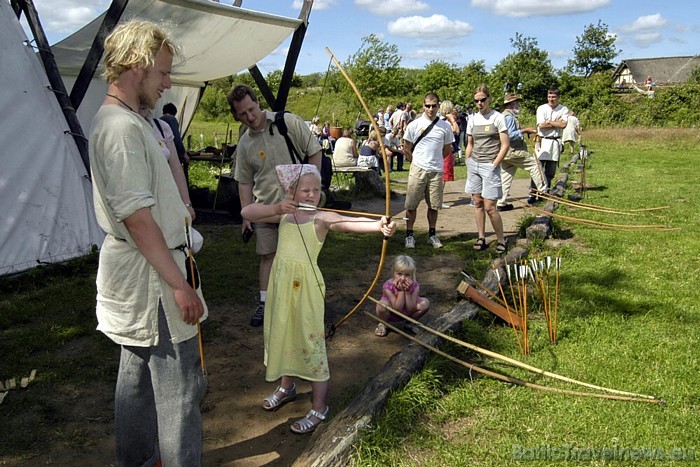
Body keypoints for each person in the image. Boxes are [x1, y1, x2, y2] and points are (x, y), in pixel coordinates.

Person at [89, 20, 207, 466]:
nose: (168, 82)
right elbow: (138, 219)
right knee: (180, 388)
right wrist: (179, 284)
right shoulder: (120, 128)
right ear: (136, 67)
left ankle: (136, 462)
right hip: (153, 280)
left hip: (142, 275)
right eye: (162, 72)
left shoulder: (129, 123)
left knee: (135, 380)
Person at [240, 164, 396, 434]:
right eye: (305, 189)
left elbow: (346, 223)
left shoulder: (320, 218)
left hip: (306, 290)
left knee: (310, 341)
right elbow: (247, 212)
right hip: (282, 287)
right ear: (291, 191)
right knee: (285, 333)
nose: (312, 194)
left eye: (316, 189)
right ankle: (287, 387)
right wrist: (277, 208)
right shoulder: (286, 214)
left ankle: (319, 406)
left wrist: (377, 225)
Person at [228, 84, 322, 327]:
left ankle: (302, 304)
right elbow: (245, 181)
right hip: (267, 209)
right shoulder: (244, 144)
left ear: (258, 102)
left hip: (299, 209)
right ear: (236, 116)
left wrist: (312, 192)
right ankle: (265, 304)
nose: (249, 116)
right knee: (268, 255)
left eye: (251, 109)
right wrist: (246, 215)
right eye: (242, 114)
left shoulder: (288, 123)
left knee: (301, 257)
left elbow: (315, 151)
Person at [402, 92, 454, 249]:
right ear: (423, 106)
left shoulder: (445, 126)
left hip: (436, 171)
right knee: (411, 205)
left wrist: (435, 160)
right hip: (418, 169)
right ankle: (409, 235)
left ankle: (432, 234)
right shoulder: (414, 125)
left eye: (434, 106)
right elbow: (406, 148)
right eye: (427, 106)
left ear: (438, 106)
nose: (430, 109)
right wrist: (416, 161)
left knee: (434, 205)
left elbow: (447, 149)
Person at [465, 85, 509, 253]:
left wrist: (495, 164)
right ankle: (481, 237)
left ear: (489, 99)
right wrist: (468, 161)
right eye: (476, 101)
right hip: (474, 163)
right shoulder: (472, 119)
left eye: (483, 100)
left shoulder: (497, 117)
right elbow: (470, 143)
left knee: (490, 206)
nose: (480, 103)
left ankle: (501, 239)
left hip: (490, 165)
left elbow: (505, 144)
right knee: (477, 203)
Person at [140, 107, 196, 221]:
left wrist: (186, 204)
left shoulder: (161, 127)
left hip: (165, 200)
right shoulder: (123, 127)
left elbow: (176, 169)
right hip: (141, 204)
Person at [497, 94, 547, 211]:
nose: (519, 104)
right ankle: (544, 191)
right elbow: (509, 135)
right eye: (517, 102)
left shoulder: (503, 116)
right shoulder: (508, 117)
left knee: (506, 176)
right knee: (535, 165)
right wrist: (524, 130)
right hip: (514, 151)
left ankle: (501, 202)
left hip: (505, 152)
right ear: (511, 104)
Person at [374, 255, 430, 337]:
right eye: (399, 274)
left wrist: (407, 292)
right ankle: (383, 323)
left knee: (425, 303)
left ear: (412, 275)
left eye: (407, 275)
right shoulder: (388, 286)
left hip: (408, 311)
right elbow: (397, 309)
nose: (403, 278)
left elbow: (411, 308)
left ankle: (410, 323)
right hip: (392, 312)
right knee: (381, 305)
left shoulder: (415, 285)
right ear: (393, 273)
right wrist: (400, 292)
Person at [535, 88, 569, 191]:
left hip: (555, 141)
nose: (551, 99)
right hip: (543, 140)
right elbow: (541, 125)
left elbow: (563, 124)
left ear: (558, 97)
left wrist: (549, 122)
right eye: (549, 97)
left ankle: (547, 190)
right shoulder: (541, 108)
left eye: (553, 97)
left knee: (550, 170)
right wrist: (556, 123)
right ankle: (534, 192)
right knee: (538, 169)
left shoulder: (563, 109)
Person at [439, 100, 459, 209]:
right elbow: (456, 130)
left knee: (443, 177)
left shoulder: (442, 121)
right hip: (445, 151)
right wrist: (452, 119)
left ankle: (438, 199)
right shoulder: (446, 122)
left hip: (445, 150)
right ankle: (439, 200)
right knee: (443, 176)